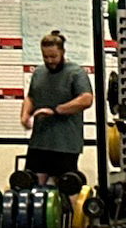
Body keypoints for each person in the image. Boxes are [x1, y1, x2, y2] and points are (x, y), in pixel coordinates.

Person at [20, 30, 95, 185]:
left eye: (53, 56)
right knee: (31, 185)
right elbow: (31, 97)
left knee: (66, 187)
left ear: (62, 52)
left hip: (65, 144)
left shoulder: (75, 73)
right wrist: (25, 115)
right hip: (40, 142)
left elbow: (86, 99)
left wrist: (56, 110)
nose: (50, 60)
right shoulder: (39, 72)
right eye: (46, 57)